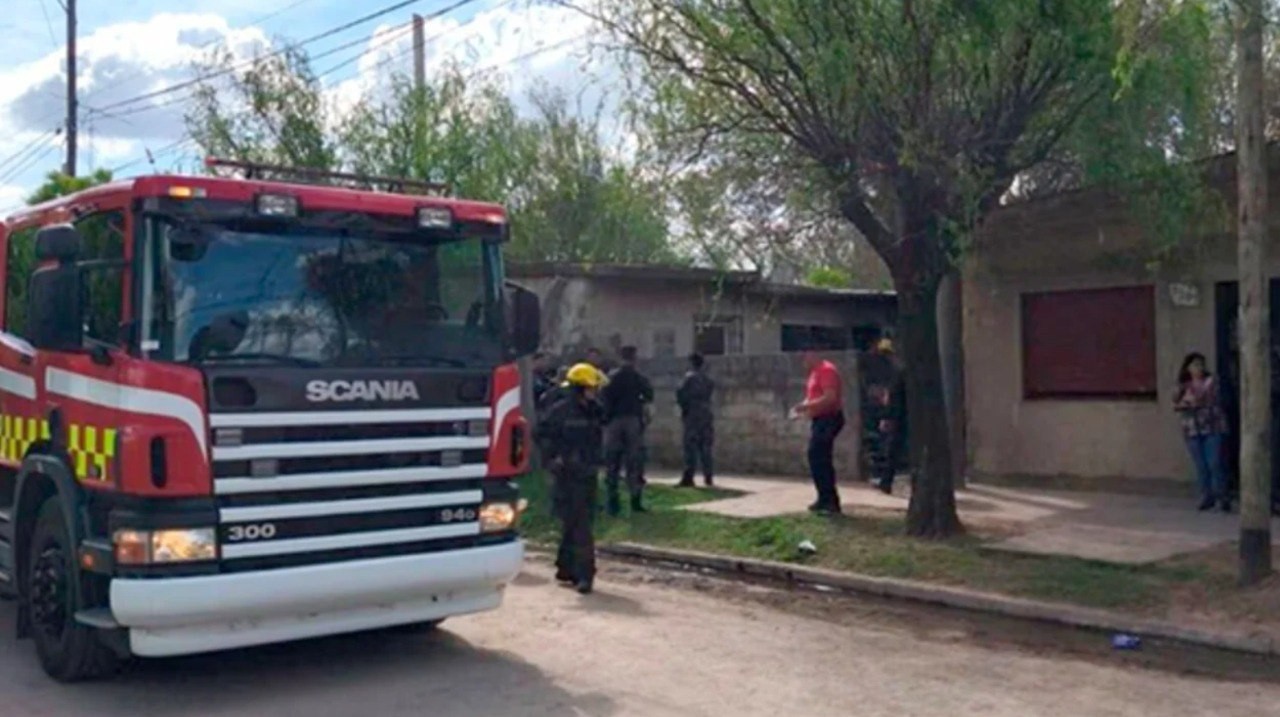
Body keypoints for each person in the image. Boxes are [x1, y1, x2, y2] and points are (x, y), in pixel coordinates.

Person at [535, 363, 607, 594]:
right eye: (591, 388)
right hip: (568, 475)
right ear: (581, 388)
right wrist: (552, 459)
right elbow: (540, 435)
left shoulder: (595, 410)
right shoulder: (560, 411)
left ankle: (565, 567)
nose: (594, 392)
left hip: (588, 473)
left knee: (575, 522)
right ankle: (586, 575)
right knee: (581, 525)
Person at [601, 345, 654, 515]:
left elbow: (604, 397)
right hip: (632, 420)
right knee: (634, 463)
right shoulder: (638, 377)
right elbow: (649, 395)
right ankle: (635, 501)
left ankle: (613, 503)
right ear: (635, 358)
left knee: (612, 463)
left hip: (614, 421)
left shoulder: (612, 377)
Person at [1175, 352, 1231, 512]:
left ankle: (1222, 496)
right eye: (1194, 365)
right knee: (1201, 465)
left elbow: (1205, 398)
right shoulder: (1183, 385)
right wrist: (1185, 401)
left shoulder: (1211, 382)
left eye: (1201, 365)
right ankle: (1207, 496)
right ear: (1188, 368)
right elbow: (1177, 403)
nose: (1198, 368)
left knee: (1214, 462)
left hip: (1212, 426)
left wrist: (1192, 401)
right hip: (1192, 428)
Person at [791, 351, 845, 514]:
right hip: (819, 419)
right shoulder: (815, 373)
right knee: (815, 457)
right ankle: (823, 497)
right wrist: (802, 407)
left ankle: (831, 501)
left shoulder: (827, 371)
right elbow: (813, 396)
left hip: (829, 418)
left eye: (805, 356)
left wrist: (807, 407)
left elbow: (830, 398)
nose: (803, 361)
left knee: (820, 457)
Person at [862, 339, 905, 495]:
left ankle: (886, 482)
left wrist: (887, 417)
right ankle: (886, 481)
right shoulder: (898, 371)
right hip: (900, 416)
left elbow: (894, 397)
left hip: (899, 417)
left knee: (892, 450)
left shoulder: (899, 371)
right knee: (892, 450)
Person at [676, 352, 715, 487]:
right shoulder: (708, 380)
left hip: (692, 414)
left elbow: (680, 395)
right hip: (706, 413)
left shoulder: (689, 378)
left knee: (690, 446)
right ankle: (708, 476)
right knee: (706, 447)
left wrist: (684, 409)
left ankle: (688, 477)